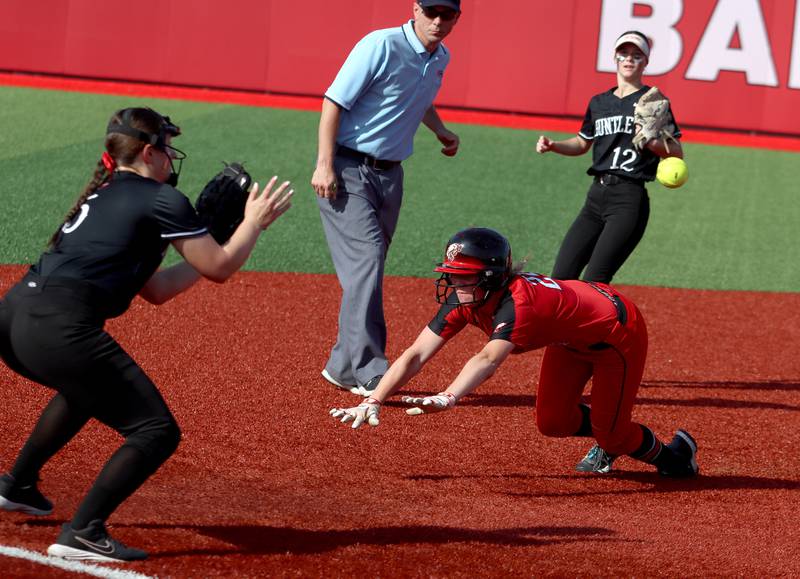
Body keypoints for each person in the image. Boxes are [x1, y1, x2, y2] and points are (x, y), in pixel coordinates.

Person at [0, 107, 293, 562]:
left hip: (15, 318)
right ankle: (83, 531)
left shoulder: (104, 192)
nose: (171, 158)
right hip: (58, 328)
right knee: (156, 430)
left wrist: (210, 233)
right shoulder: (161, 200)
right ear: (149, 151)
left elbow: (156, 290)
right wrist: (252, 222)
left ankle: (17, 484)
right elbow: (219, 267)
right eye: (167, 147)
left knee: (85, 392)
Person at [330, 228, 699, 479]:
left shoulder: (518, 304)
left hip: (617, 332)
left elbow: (487, 360)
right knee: (552, 422)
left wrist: (449, 396)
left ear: (490, 278)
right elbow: (415, 354)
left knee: (613, 434)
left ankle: (675, 457)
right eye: (452, 274)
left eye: (463, 276)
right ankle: (609, 428)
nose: (454, 283)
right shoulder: (469, 297)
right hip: (572, 338)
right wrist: (375, 399)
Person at [311, 0, 462, 396]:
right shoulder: (380, 44)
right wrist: (324, 164)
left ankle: (342, 365)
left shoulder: (440, 56)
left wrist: (440, 130)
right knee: (368, 261)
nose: (438, 20)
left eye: (448, 14)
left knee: (367, 272)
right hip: (347, 170)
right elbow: (334, 102)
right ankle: (369, 367)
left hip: (390, 176)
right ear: (414, 9)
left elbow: (419, 99)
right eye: (431, 11)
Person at [537, 30, 683, 284]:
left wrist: (651, 141)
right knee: (561, 276)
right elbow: (582, 142)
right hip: (595, 197)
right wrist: (554, 145)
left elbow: (677, 152)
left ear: (646, 62)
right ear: (615, 58)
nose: (629, 59)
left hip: (628, 198)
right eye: (624, 53)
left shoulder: (654, 102)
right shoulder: (599, 102)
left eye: (637, 55)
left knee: (595, 278)